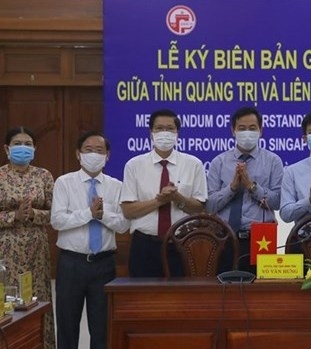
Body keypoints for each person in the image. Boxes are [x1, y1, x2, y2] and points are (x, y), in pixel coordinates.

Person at [51, 131, 129, 349]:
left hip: (104, 264)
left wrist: (103, 215)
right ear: (78, 154)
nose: (93, 155)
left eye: (99, 150)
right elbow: (57, 221)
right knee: (67, 326)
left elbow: (124, 225)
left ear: (108, 156)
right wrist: (88, 213)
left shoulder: (116, 186)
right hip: (71, 263)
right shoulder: (64, 183)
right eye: (88, 150)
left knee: (102, 329)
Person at [121, 109, 207, 277]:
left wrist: (177, 198)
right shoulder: (134, 165)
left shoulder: (193, 164)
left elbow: (199, 209)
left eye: (169, 129)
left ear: (177, 133)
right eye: (159, 128)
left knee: (181, 299)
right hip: (144, 245)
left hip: (182, 242)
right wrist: (160, 201)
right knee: (143, 299)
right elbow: (128, 210)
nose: (164, 133)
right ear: (151, 133)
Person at [207, 106, 284, 273]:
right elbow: (210, 206)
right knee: (224, 293)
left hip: (261, 239)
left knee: (260, 295)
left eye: (252, 128)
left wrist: (251, 186)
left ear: (260, 130)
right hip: (224, 238)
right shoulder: (218, 162)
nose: (247, 133)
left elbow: (278, 202)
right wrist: (232, 188)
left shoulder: (273, 161)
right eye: (241, 128)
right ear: (233, 131)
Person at [0, 126, 55, 349]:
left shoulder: (43, 176)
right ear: (6, 148)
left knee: (37, 301)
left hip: (37, 250)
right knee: (7, 301)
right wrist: (14, 216)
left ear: (34, 149)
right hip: (5, 250)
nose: (23, 148)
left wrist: (33, 214)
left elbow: (56, 214)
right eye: (18, 144)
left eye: (28, 144)